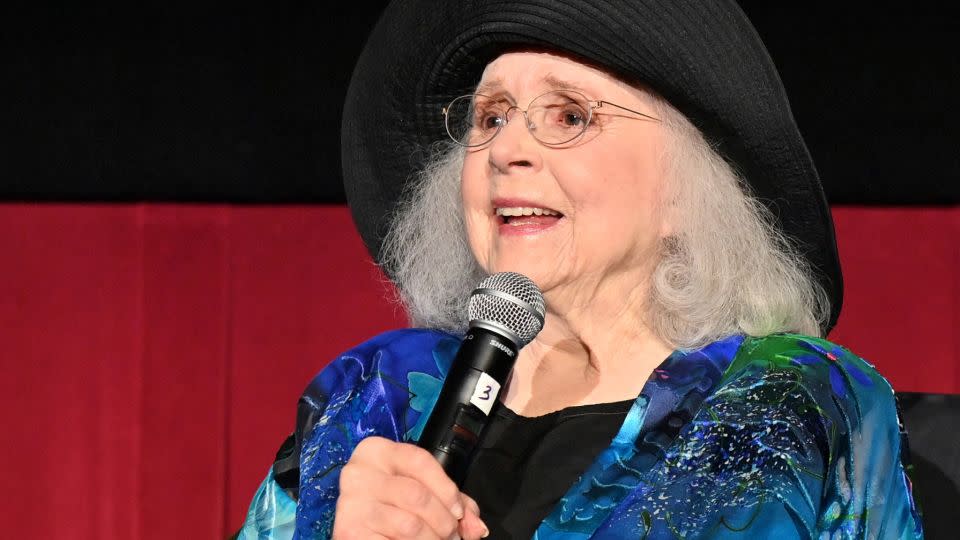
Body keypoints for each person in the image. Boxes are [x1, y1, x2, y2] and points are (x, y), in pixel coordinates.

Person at [237, 1, 923, 538]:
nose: (507, 149)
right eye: (492, 115)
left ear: (684, 191)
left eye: (569, 115)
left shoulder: (787, 404)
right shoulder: (374, 396)